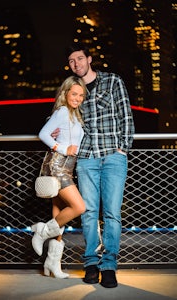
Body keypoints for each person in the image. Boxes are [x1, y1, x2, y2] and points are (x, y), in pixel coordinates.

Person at [53, 42, 135, 287]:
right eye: (71, 61)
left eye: (79, 58)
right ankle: (90, 263)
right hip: (86, 158)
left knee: (112, 214)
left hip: (113, 156)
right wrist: (54, 128)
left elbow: (126, 116)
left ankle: (109, 266)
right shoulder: (73, 89)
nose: (75, 64)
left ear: (89, 59)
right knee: (88, 213)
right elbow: (61, 115)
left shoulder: (113, 81)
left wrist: (123, 149)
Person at [31, 75, 86, 279]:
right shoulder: (63, 111)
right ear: (65, 93)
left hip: (67, 168)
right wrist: (63, 147)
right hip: (58, 168)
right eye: (74, 94)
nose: (78, 98)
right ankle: (42, 232)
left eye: (81, 95)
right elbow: (43, 134)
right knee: (79, 207)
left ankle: (52, 264)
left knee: (59, 213)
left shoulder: (74, 114)